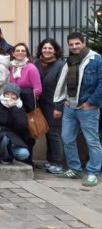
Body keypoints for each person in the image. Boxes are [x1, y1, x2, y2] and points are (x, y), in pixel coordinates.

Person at [52, 31, 102, 187]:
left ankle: (93, 173)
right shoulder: (71, 60)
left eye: (77, 43)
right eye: (71, 44)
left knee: (92, 141)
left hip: (88, 108)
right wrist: (63, 101)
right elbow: (64, 83)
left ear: (84, 43)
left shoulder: (96, 59)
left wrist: (90, 102)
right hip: (70, 106)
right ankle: (75, 169)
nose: (74, 47)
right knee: (67, 138)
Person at [36, 38, 65, 174]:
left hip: (54, 105)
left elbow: (62, 88)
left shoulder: (61, 65)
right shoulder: (37, 64)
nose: (47, 51)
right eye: (45, 48)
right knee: (47, 133)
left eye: (50, 48)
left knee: (54, 134)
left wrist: (59, 107)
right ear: (41, 49)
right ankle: (49, 161)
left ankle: (58, 163)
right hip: (40, 105)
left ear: (55, 50)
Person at [0, 83, 30, 165]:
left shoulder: (19, 106)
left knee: (24, 154)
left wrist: (13, 108)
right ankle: (4, 157)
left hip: (13, 136)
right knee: (4, 139)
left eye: (13, 94)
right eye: (7, 94)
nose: (10, 97)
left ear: (17, 96)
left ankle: (8, 156)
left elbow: (22, 126)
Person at [8, 42, 42, 111]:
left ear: (26, 54)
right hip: (11, 103)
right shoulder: (10, 67)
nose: (20, 52)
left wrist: (22, 95)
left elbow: (38, 90)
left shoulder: (31, 68)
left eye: (23, 51)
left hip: (27, 104)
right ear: (13, 54)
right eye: (17, 51)